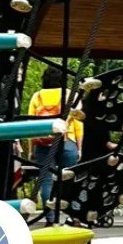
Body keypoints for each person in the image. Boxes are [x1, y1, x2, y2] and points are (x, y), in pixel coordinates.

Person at [28, 66, 84, 223]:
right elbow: (78, 123)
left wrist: (31, 149)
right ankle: (74, 217)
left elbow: (30, 123)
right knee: (71, 180)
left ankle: (51, 218)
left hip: (43, 144)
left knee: (46, 181)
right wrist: (79, 147)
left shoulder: (37, 96)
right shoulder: (69, 94)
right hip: (67, 141)